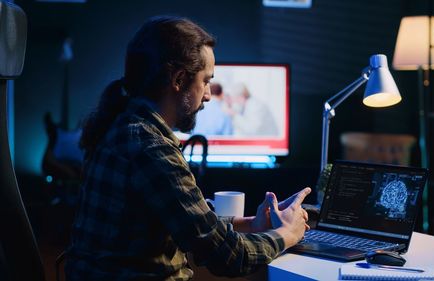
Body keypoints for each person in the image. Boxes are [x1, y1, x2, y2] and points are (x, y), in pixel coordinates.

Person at [65, 16, 311, 280]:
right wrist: (286, 234)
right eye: (206, 81)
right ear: (179, 79)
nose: (208, 94)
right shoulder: (151, 147)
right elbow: (228, 258)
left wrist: (252, 224)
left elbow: (190, 223)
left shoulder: (123, 124)